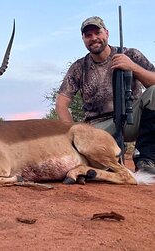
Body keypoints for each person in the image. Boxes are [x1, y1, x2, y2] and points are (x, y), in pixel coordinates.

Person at [56, 16, 155, 173]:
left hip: (130, 120)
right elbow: (61, 104)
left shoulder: (131, 54)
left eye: (97, 32)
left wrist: (133, 67)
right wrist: (73, 132)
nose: (94, 38)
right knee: (94, 163)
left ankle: (146, 158)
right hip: (98, 128)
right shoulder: (78, 67)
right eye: (88, 35)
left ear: (107, 33)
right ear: (83, 39)